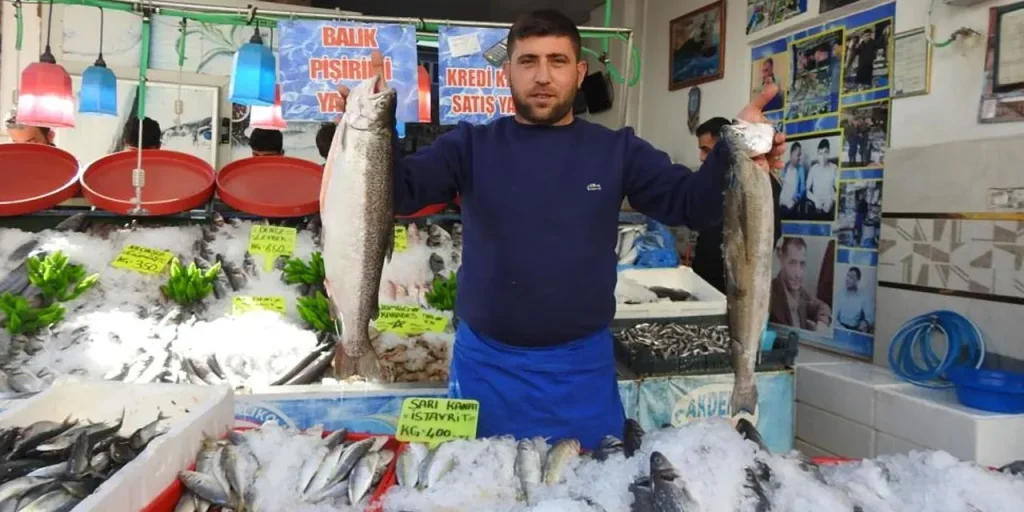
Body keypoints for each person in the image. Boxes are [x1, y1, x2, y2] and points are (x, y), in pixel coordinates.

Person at [332, 9, 786, 448]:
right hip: (485, 367)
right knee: (480, 484)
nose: (543, 76)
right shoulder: (469, 145)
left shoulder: (618, 150)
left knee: (588, 484)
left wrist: (736, 148)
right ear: (508, 71)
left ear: (579, 72)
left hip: (581, 370)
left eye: (558, 61)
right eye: (528, 61)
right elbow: (398, 192)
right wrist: (363, 137)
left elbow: (691, 204)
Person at [691, 117, 782, 293]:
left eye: (706, 150)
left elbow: (770, 232)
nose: (701, 157)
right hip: (704, 277)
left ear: (722, 146)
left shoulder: (757, 182)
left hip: (738, 280)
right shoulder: (708, 181)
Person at [769, 237, 831, 330]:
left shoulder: (800, 292)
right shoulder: (770, 294)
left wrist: (822, 323)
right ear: (782, 261)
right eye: (792, 263)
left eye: (802, 264)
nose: (798, 274)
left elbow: (822, 306)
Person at [835, 266, 873, 332]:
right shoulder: (840, 295)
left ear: (858, 280)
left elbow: (870, 318)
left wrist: (866, 322)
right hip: (840, 328)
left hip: (855, 330)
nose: (847, 279)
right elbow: (834, 317)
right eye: (847, 276)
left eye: (851, 277)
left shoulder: (865, 296)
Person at [806, 138, 837, 215]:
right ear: (817, 154)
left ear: (829, 153)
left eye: (825, 153)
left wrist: (831, 200)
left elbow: (838, 190)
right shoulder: (813, 169)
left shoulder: (834, 168)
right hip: (816, 204)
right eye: (820, 153)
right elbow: (806, 190)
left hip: (829, 203)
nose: (823, 157)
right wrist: (815, 200)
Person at [779, 142, 806, 214]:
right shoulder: (784, 167)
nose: (799, 158)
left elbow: (802, 189)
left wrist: (794, 200)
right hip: (781, 202)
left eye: (800, 155)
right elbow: (779, 184)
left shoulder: (800, 169)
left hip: (791, 204)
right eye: (798, 155)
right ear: (791, 154)